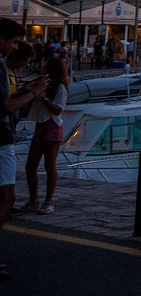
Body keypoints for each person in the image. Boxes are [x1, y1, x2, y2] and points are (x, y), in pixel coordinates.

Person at [1, 19, 49, 282]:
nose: (15, 47)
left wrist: (28, 89)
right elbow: (5, 106)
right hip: (1, 138)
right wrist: (33, 93)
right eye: (14, 41)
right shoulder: (0, 65)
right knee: (6, 198)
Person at [19, 55, 69, 214]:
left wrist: (44, 98)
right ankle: (33, 200)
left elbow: (58, 109)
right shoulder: (42, 83)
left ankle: (49, 201)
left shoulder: (60, 87)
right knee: (30, 166)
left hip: (52, 126)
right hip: (40, 125)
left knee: (50, 165)